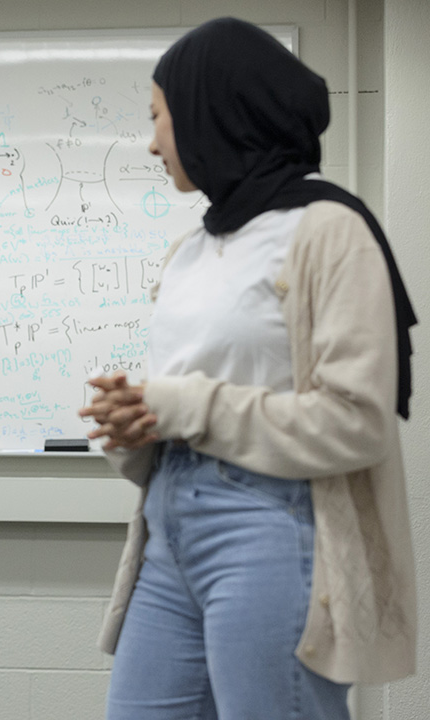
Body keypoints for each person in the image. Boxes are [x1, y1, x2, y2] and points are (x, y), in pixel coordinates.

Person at [78, 17, 417, 720]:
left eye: (158, 118)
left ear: (211, 111)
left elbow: (356, 422)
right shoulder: (190, 252)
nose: (150, 143)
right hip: (166, 525)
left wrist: (181, 405)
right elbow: (177, 406)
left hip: (271, 524)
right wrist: (134, 422)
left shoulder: (329, 229)